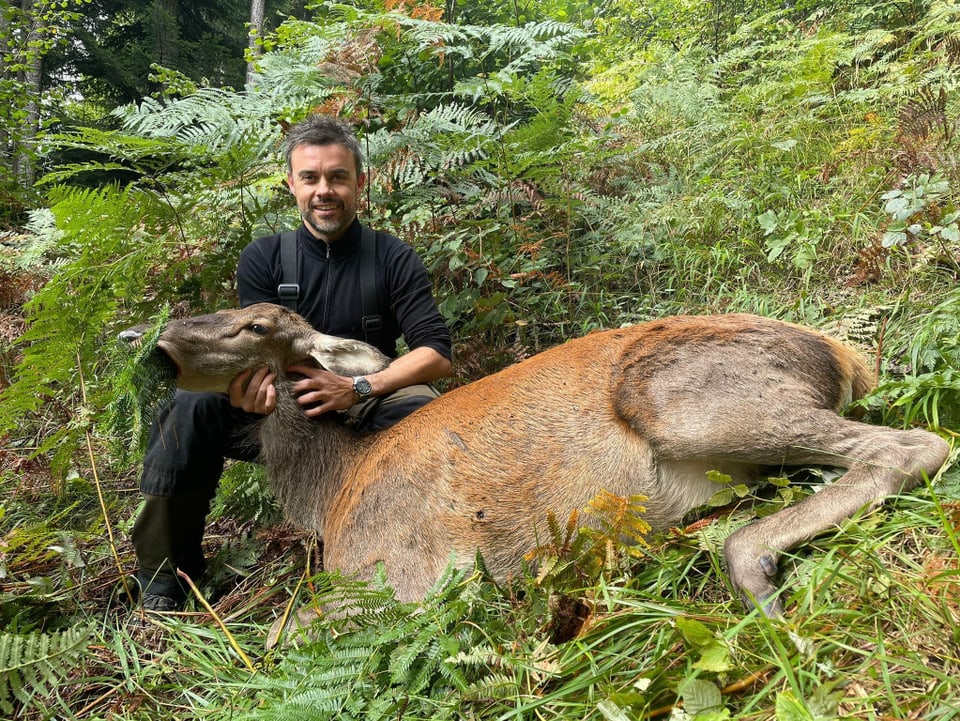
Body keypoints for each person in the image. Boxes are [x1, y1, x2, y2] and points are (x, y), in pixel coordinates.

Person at [130, 115, 453, 612]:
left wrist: (362, 386)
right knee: (187, 410)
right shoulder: (264, 257)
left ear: (359, 183)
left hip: (366, 391)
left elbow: (435, 353)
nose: (325, 190)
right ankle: (167, 575)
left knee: (423, 421)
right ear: (292, 184)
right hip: (283, 401)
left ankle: (432, 553)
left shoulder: (392, 257)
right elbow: (250, 352)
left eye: (338, 177)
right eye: (311, 178)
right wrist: (248, 394)